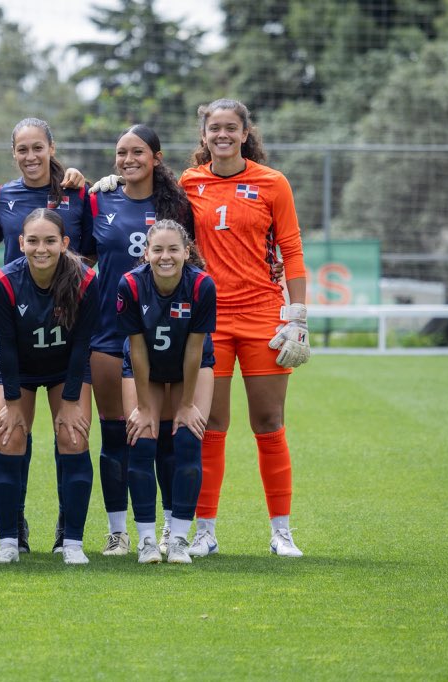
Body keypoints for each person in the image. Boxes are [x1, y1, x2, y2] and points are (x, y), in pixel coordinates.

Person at [178, 98, 309, 558]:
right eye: (215, 128)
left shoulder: (273, 183)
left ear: (245, 132)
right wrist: (111, 182)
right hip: (208, 320)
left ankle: (281, 531)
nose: (223, 135)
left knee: (268, 423)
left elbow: (291, 250)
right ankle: (205, 531)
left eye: (231, 128)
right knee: (210, 423)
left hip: (260, 316)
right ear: (204, 135)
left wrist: (298, 315)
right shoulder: (188, 183)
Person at [86, 125, 195, 557]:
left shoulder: (177, 206)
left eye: (137, 152)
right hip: (109, 332)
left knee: (162, 435)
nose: (127, 159)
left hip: (164, 336)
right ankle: (118, 531)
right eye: (120, 153)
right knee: (116, 435)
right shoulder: (99, 199)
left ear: (156, 157)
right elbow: (78, 255)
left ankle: (169, 528)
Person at [0, 117, 94, 551]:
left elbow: (84, 344)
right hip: (21, 335)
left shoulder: (78, 193)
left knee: (73, 432)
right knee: (10, 433)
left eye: (38, 147)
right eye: (22, 149)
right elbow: (5, 348)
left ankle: (69, 538)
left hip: (64, 339)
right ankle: (12, 536)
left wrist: (71, 395)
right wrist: (11, 399)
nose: (30, 156)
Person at [117, 219, 216, 564]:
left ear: (187, 252)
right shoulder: (130, 284)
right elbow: (137, 348)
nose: (165, 256)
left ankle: (178, 539)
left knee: (188, 437)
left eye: (173, 249)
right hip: (147, 368)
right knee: (142, 438)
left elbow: (194, 350)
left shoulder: (202, 285)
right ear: (146, 253)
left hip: (191, 365)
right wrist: (144, 406)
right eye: (157, 249)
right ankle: (146, 540)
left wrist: (187, 404)